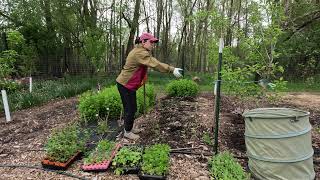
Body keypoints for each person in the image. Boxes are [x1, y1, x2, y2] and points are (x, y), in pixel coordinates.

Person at [116, 32, 183, 140]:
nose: (153, 44)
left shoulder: (140, 51)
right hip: (125, 85)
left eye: (153, 42)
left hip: (127, 85)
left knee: (132, 107)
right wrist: (172, 69)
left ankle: (129, 128)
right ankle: (127, 132)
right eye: (151, 42)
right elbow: (155, 64)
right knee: (130, 109)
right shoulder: (140, 53)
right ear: (143, 42)